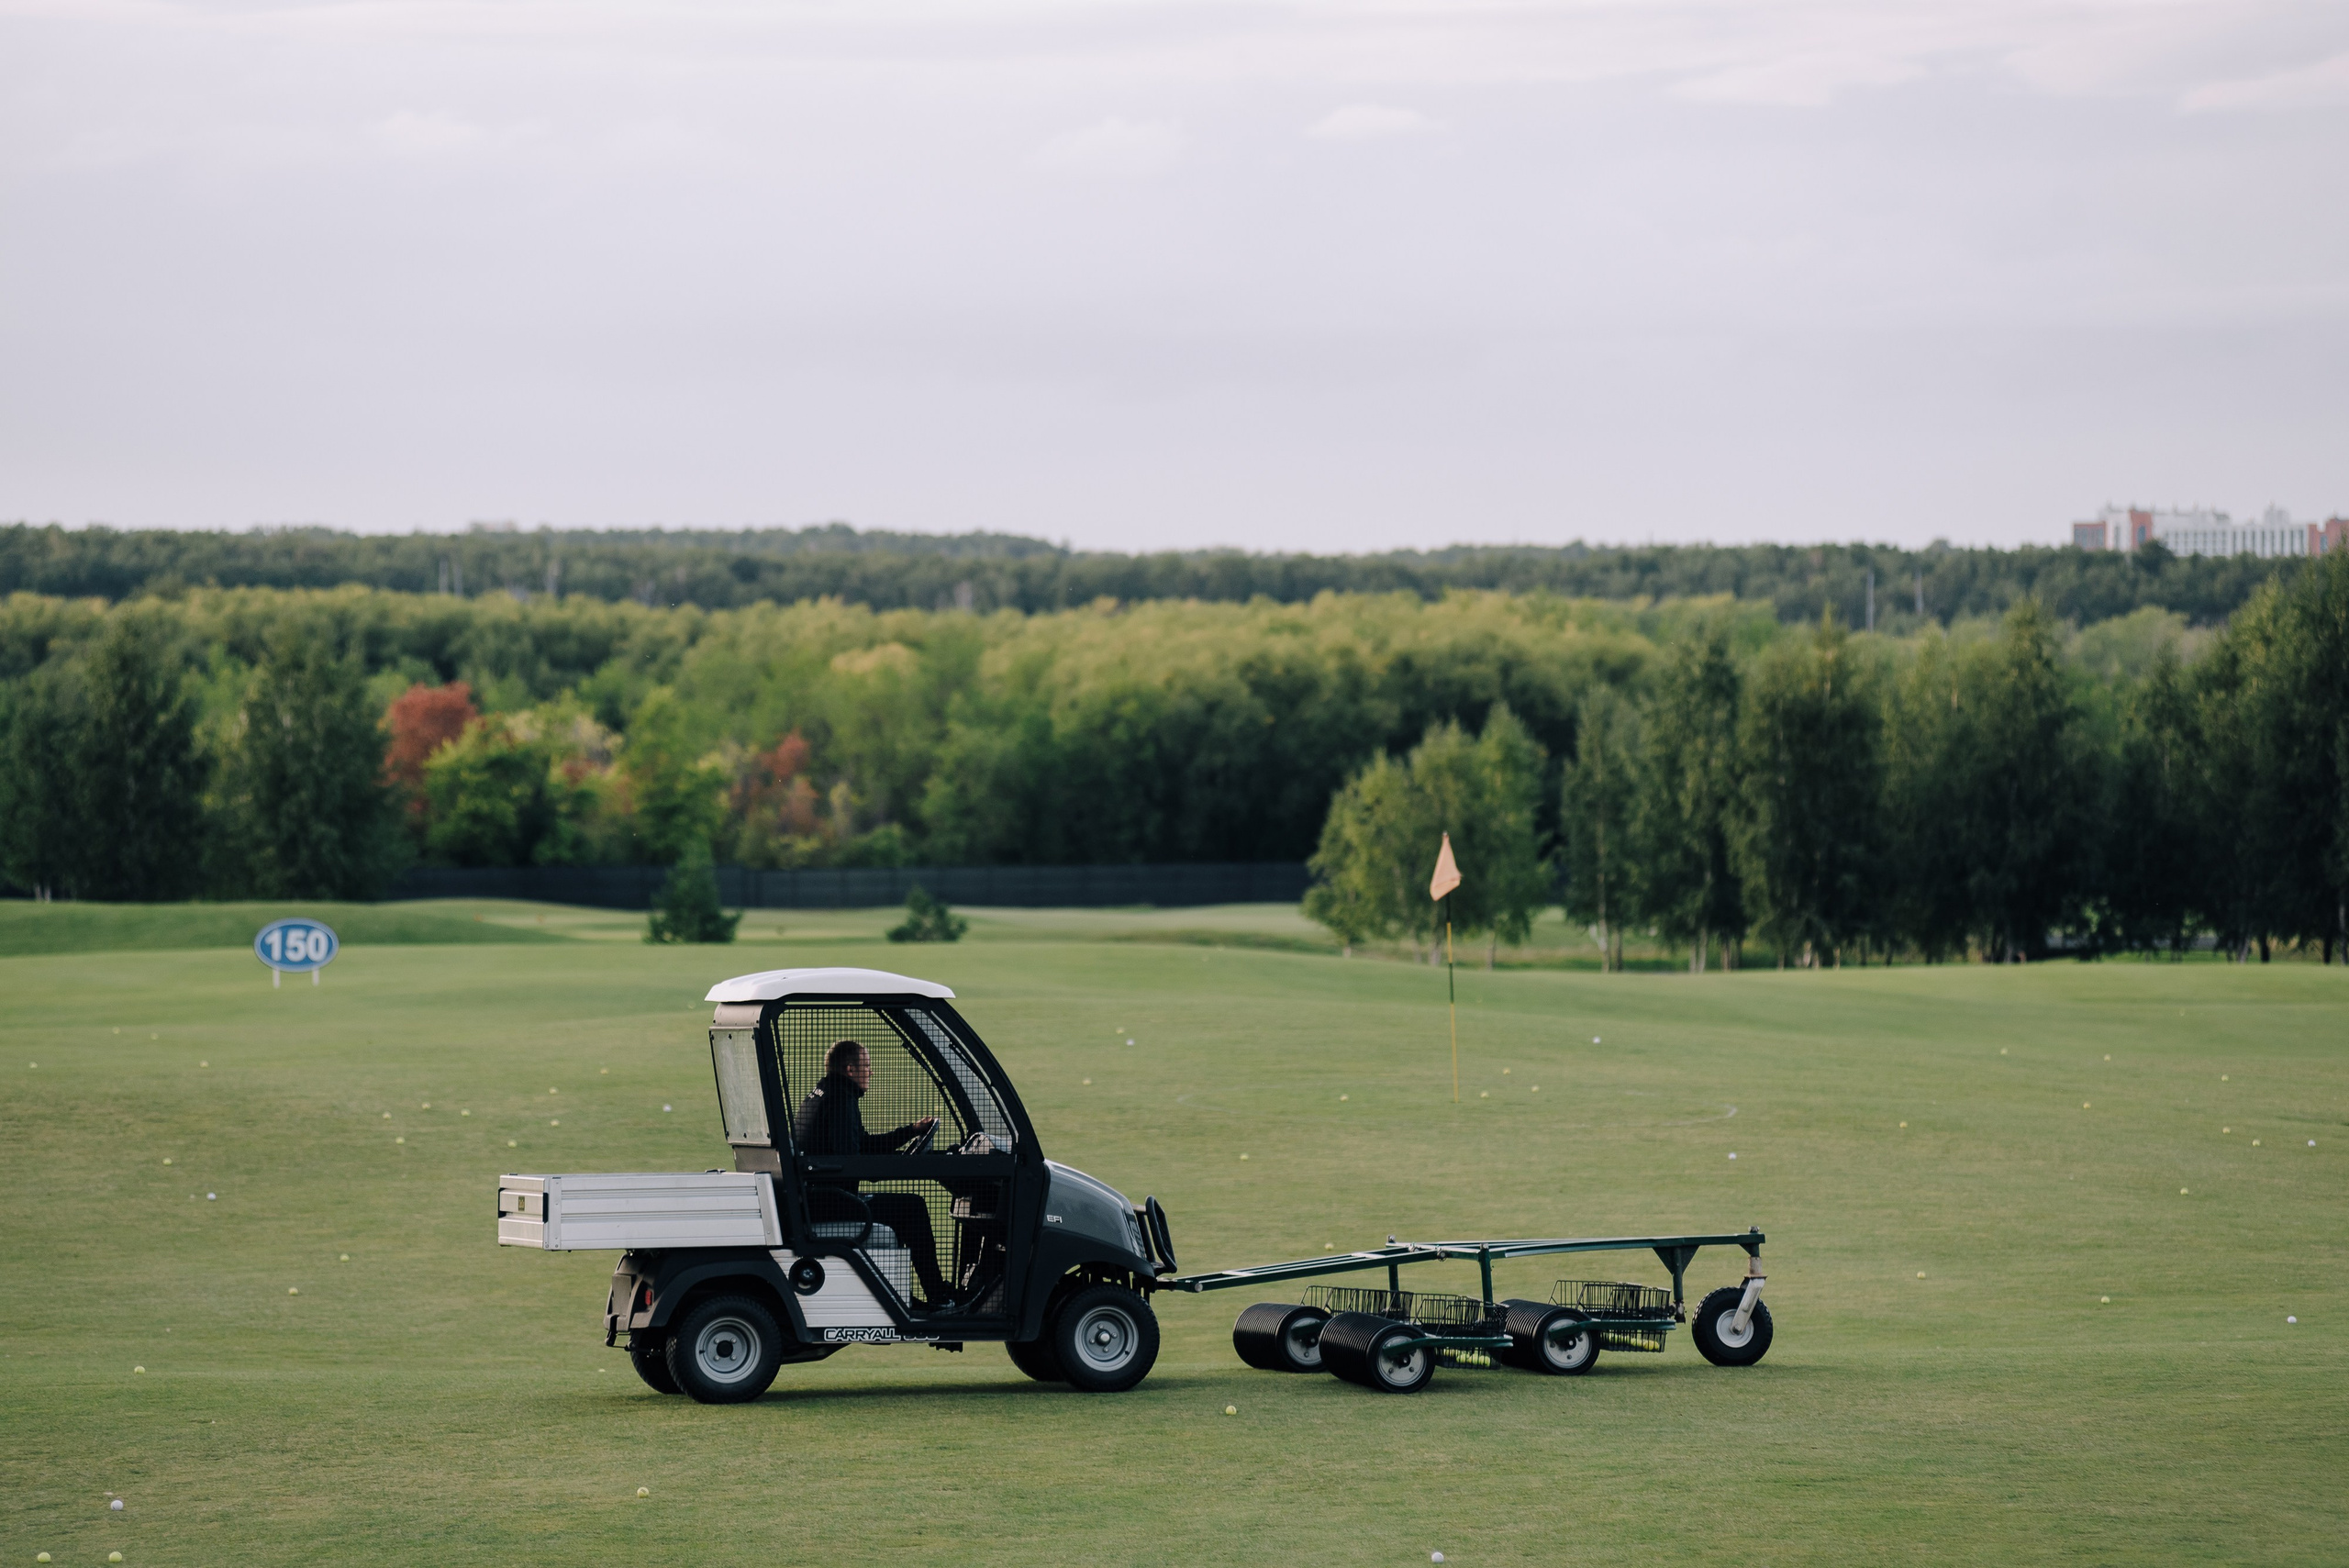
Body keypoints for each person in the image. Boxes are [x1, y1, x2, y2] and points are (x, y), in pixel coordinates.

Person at [794, 1039, 952, 1308]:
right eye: (866, 1065)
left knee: (903, 1207)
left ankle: (902, 1291)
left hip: (819, 1197)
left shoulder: (826, 1092)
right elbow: (853, 1161)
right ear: (850, 1070)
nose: (871, 1072)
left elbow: (862, 1145)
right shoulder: (841, 1099)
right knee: (912, 1207)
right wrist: (890, 1166)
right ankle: (937, 1295)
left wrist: (911, 1131)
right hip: (830, 1201)